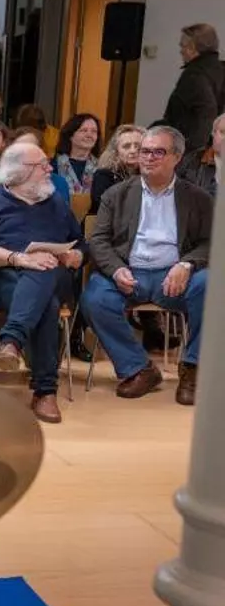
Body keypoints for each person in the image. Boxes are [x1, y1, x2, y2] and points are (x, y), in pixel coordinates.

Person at [83, 126, 211, 405]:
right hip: (129, 272)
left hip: (175, 276)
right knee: (95, 297)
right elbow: (99, 240)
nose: (149, 157)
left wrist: (187, 264)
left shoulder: (197, 198)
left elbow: (210, 242)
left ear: (177, 157)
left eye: (158, 152)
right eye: (145, 151)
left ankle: (192, 368)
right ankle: (139, 368)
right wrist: (116, 269)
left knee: (212, 287)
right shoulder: (116, 194)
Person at [0, 143, 86, 424]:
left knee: (44, 268)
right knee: (46, 302)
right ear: (18, 171)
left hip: (53, 275)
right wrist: (19, 258)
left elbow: (81, 242)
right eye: (41, 165)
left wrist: (76, 255)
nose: (49, 169)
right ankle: (45, 391)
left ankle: (11, 341)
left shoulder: (56, 202)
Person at [159, 23, 224, 158]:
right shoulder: (220, 69)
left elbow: (207, 112)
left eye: (183, 46)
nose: (181, 51)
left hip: (188, 152)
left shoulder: (194, 75)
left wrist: (193, 154)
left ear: (194, 48)